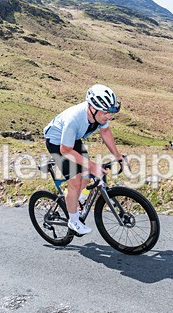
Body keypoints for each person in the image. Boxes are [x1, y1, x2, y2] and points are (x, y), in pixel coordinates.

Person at [43, 84, 124, 235]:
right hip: (57, 143)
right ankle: (73, 221)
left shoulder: (99, 115)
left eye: (110, 112)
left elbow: (105, 132)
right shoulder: (74, 119)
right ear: (92, 108)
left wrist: (117, 155)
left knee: (87, 176)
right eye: (106, 112)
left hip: (73, 140)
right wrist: (92, 165)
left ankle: (77, 201)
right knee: (75, 181)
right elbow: (65, 150)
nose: (109, 116)